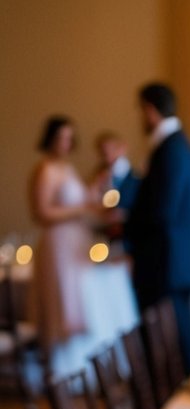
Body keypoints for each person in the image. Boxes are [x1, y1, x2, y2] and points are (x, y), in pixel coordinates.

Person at [126, 82, 190, 373]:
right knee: (180, 346)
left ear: (150, 109)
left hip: (165, 263)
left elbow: (162, 210)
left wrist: (126, 226)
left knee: (176, 350)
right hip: (177, 261)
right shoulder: (180, 145)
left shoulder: (169, 150)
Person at [28, 115, 100, 364]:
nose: (66, 143)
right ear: (50, 139)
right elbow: (41, 212)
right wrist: (80, 210)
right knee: (61, 298)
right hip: (57, 242)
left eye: (70, 138)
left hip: (77, 242)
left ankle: (80, 364)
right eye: (61, 137)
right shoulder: (45, 169)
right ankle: (60, 366)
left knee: (80, 298)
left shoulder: (68, 169)